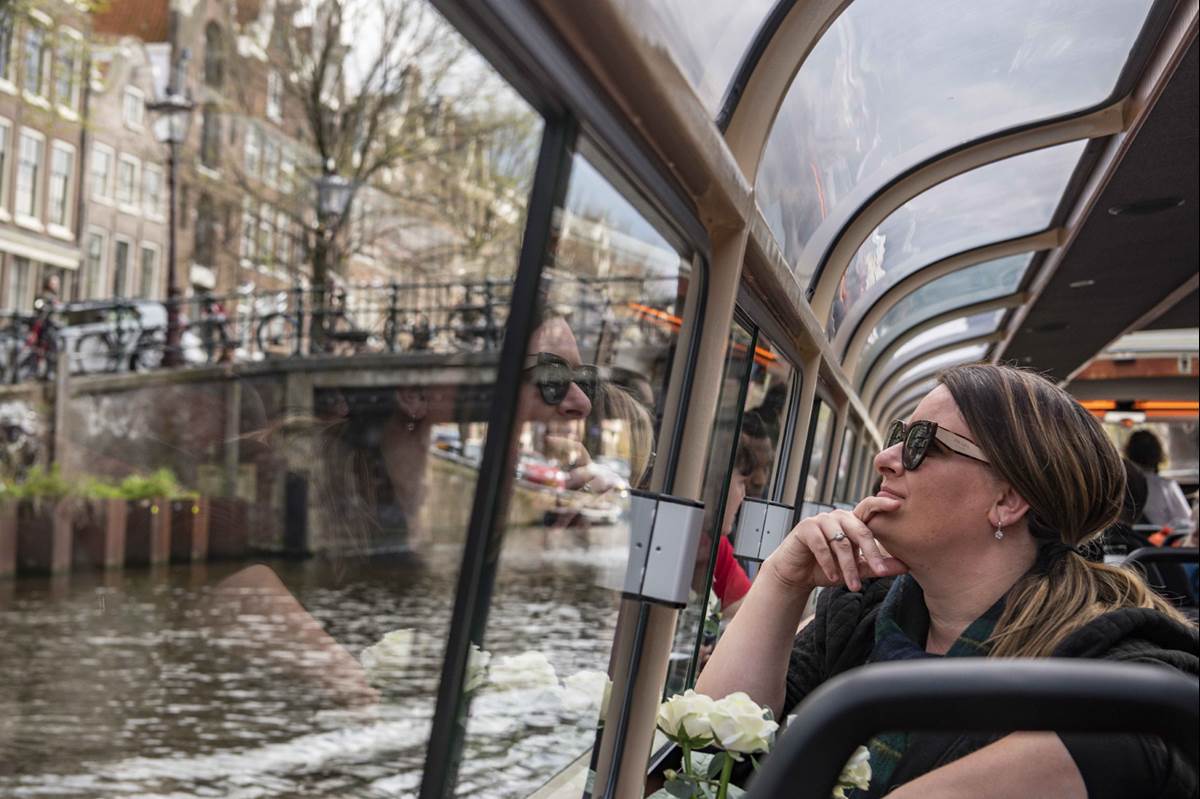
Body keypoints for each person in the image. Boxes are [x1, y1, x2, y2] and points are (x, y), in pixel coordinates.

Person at [697, 364, 1197, 799]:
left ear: (1007, 500)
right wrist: (783, 580)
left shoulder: (1107, 656)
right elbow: (706, 755)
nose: (885, 458)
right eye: (897, 435)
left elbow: (1155, 739)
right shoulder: (863, 611)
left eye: (922, 444)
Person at [1126, 429, 1194, 534]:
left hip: (1127, 541)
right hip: (1161, 543)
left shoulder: (1122, 486)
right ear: (1158, 454)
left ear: (1129, 453)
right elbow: (1188, 523)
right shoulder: (1165, 486)